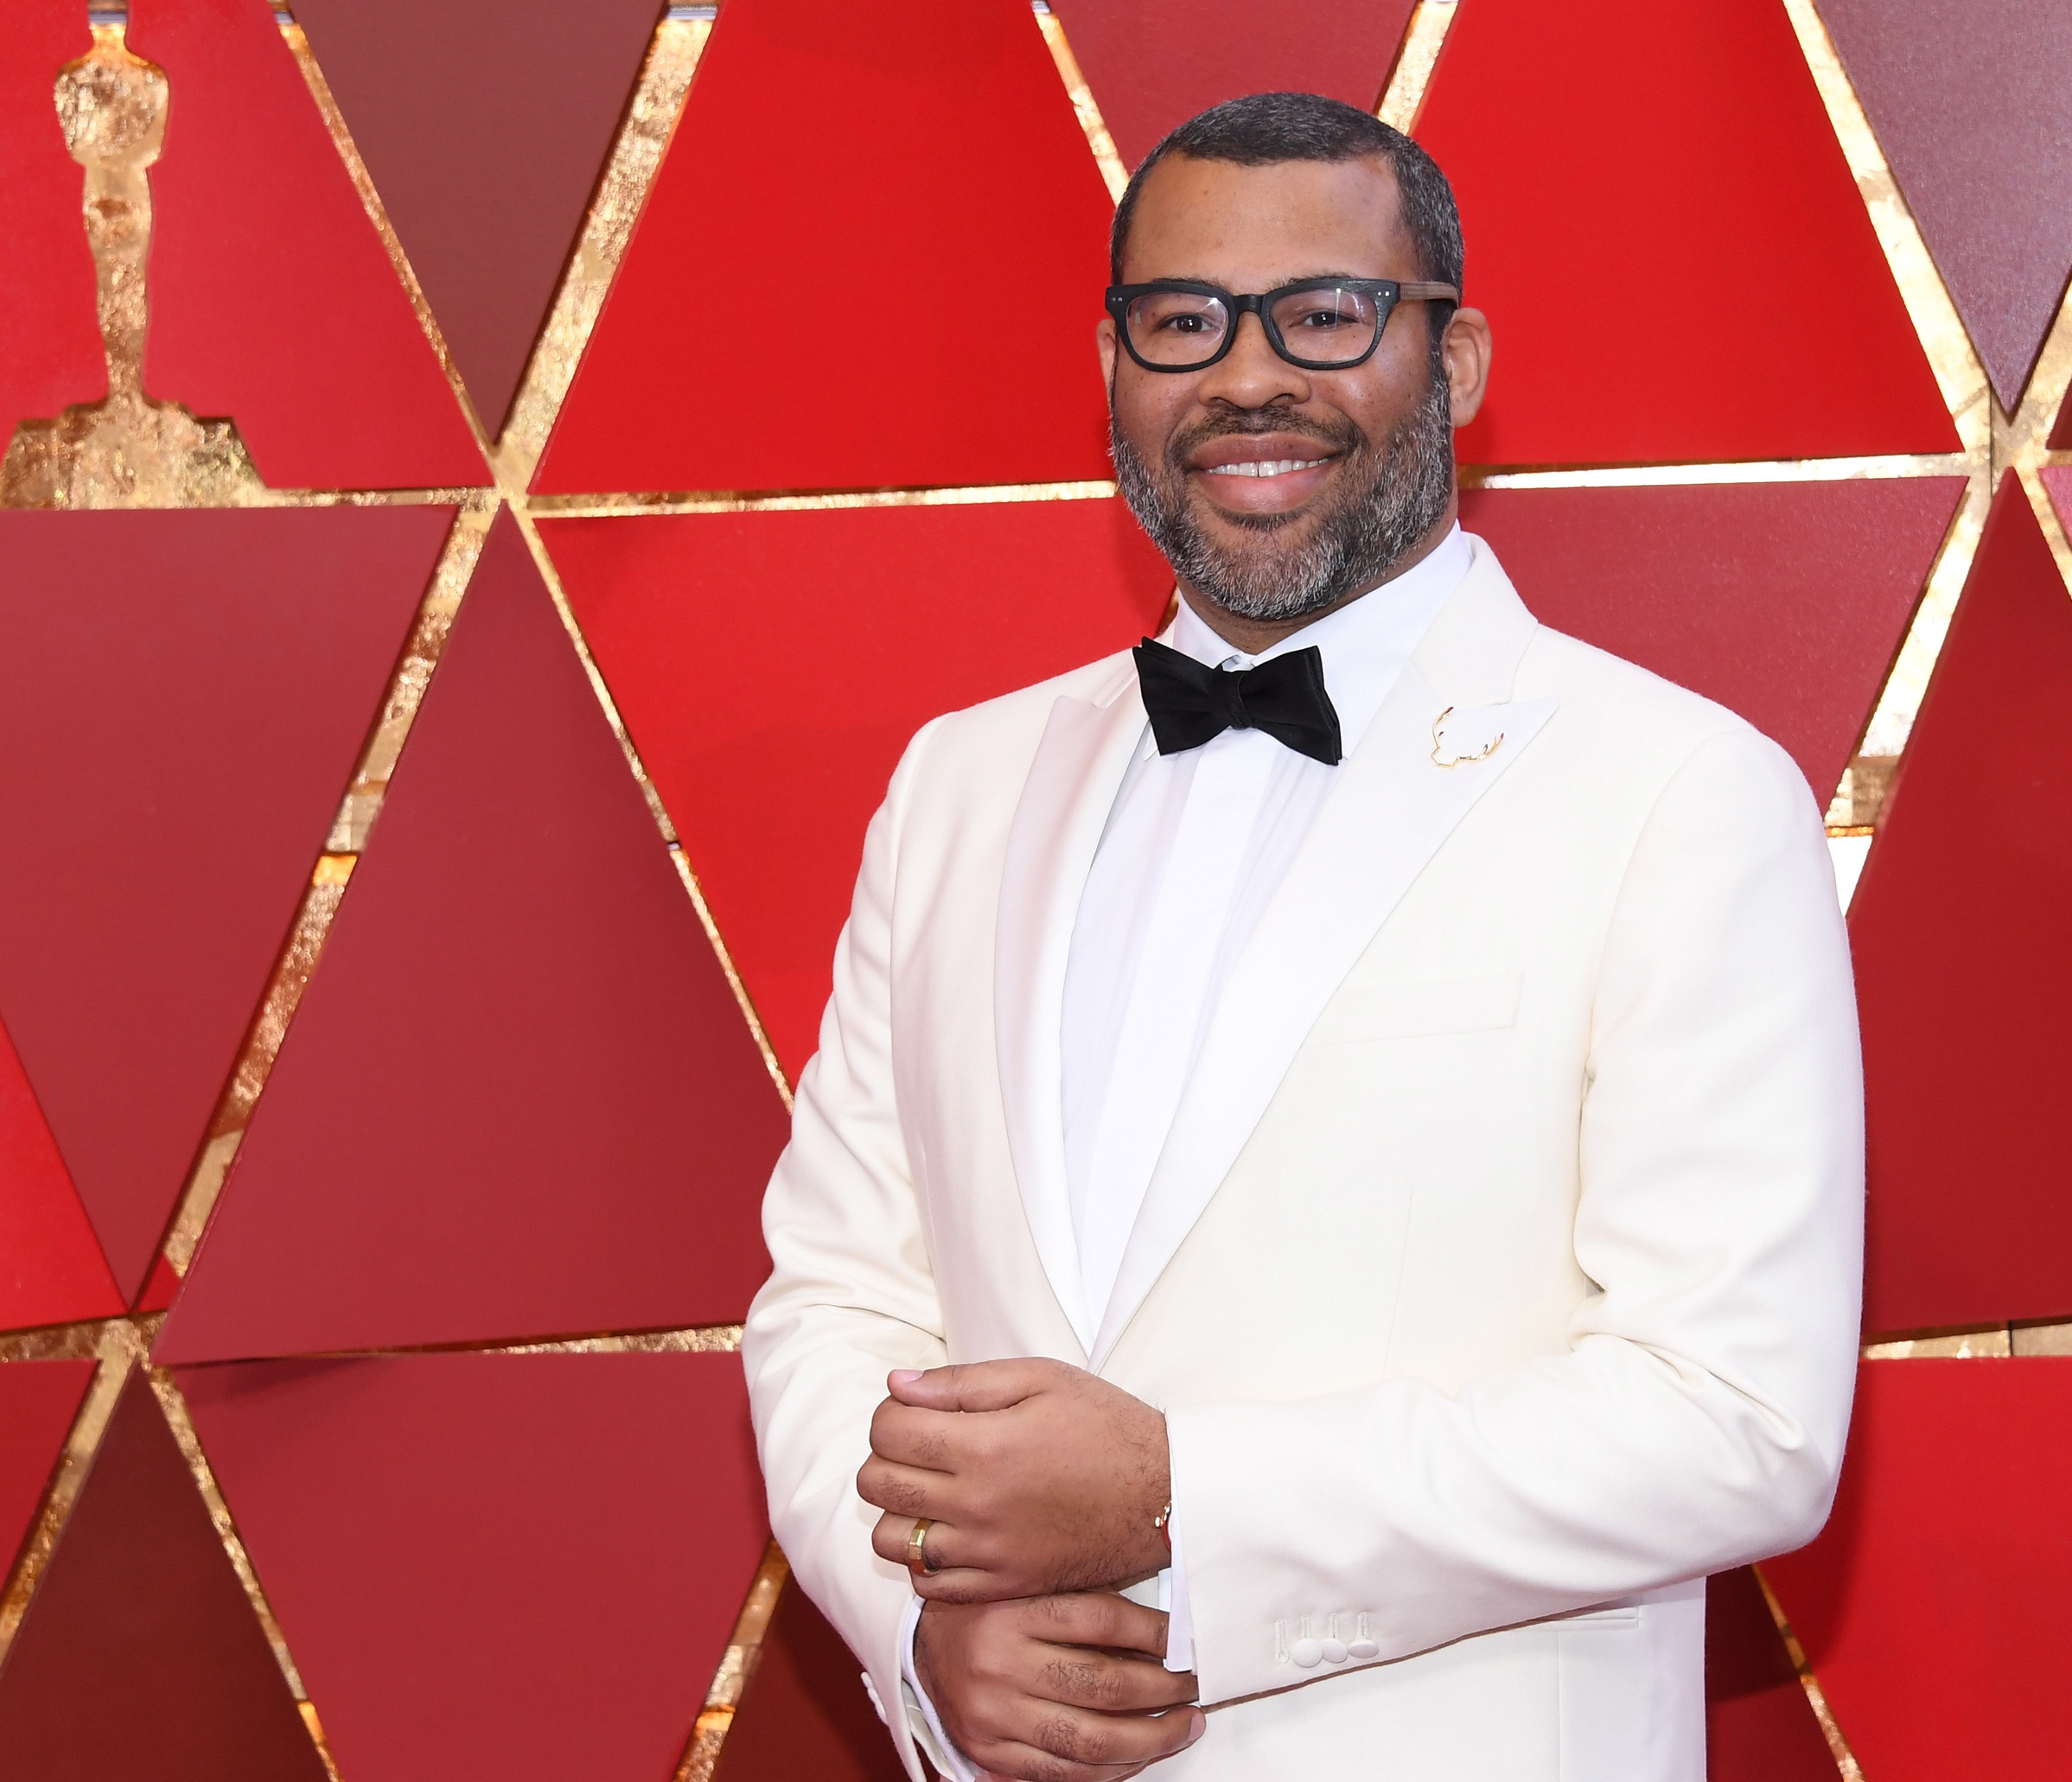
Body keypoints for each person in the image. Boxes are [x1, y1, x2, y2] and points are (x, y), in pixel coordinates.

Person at [742, 92, 1863, 1782]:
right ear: (1113, 364)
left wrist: (1183, 1488)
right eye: (1181, 320)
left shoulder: (1681, 792)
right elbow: (835, 1296)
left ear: (1459, 359)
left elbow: (1738, 1417)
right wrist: (921, 1632)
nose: (1248, 378)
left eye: (1324, 315)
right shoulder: (959, 783)